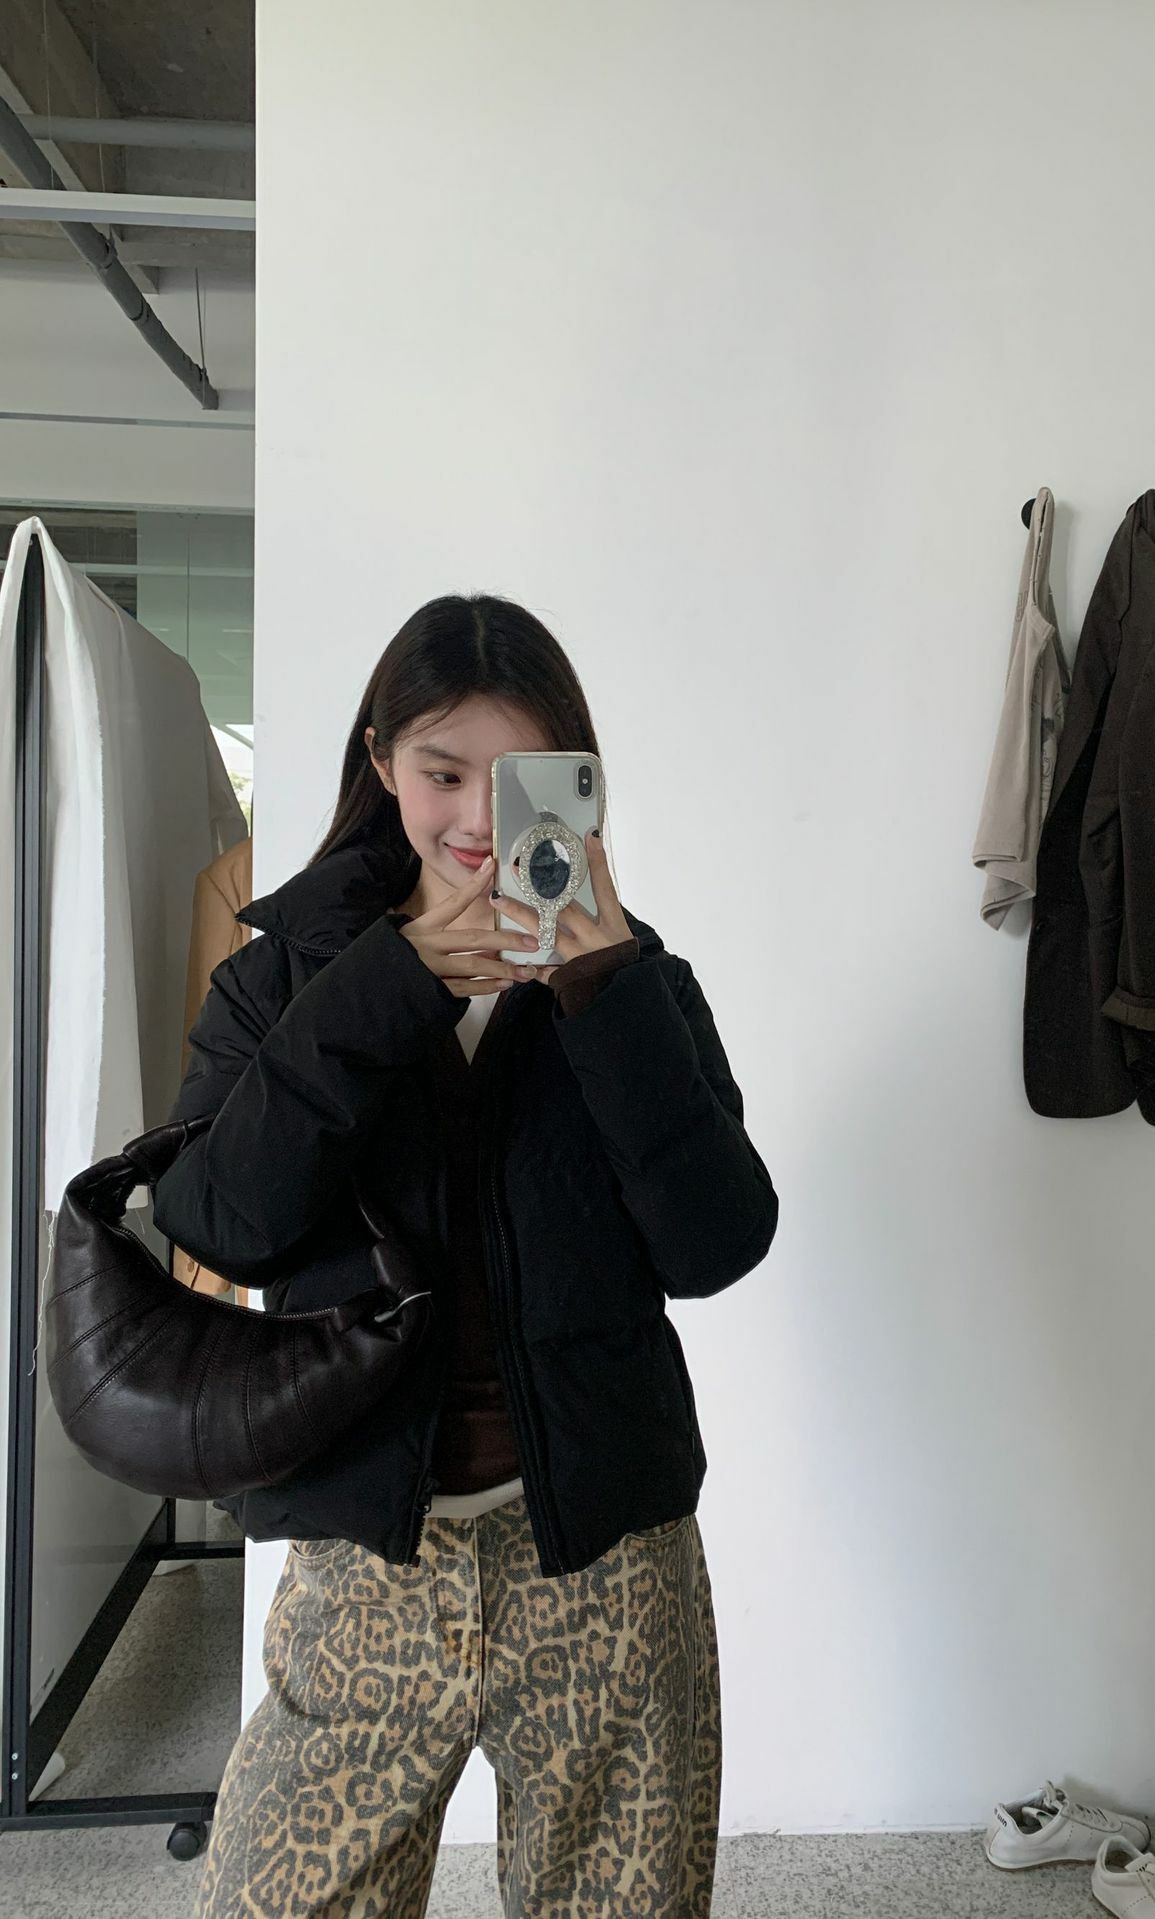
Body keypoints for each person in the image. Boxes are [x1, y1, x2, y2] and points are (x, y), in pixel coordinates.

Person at [150, 592, 779, 1918]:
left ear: (581, 784)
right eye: (445, 773)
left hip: (605, 1558)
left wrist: (606, 997)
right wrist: (391, 987)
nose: (483, 820)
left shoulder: (635, 982)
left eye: (524, 777)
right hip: (367, 1565)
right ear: (381, 762)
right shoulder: (282, 983)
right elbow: (216, 1219)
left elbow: (719, 1242)